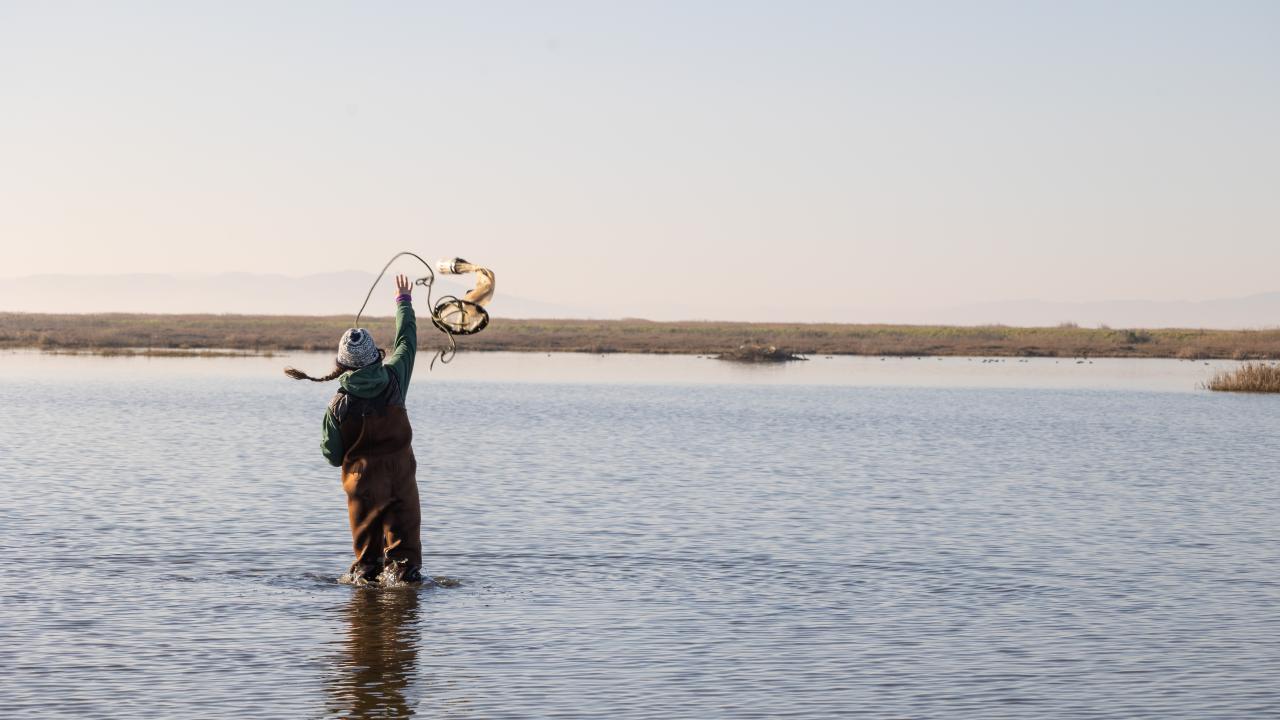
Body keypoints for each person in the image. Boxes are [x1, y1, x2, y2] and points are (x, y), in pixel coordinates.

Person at [286, 274, 422, 584]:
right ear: (375, 356)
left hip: (361, 491)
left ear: (342, 366)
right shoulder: (395, 378)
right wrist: (403, 301)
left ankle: (364, 623)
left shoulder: (337, 405)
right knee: (405, 571)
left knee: (366, 570)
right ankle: (404, 624)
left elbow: (333, 456)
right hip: (400, 484)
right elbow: (407, 341)